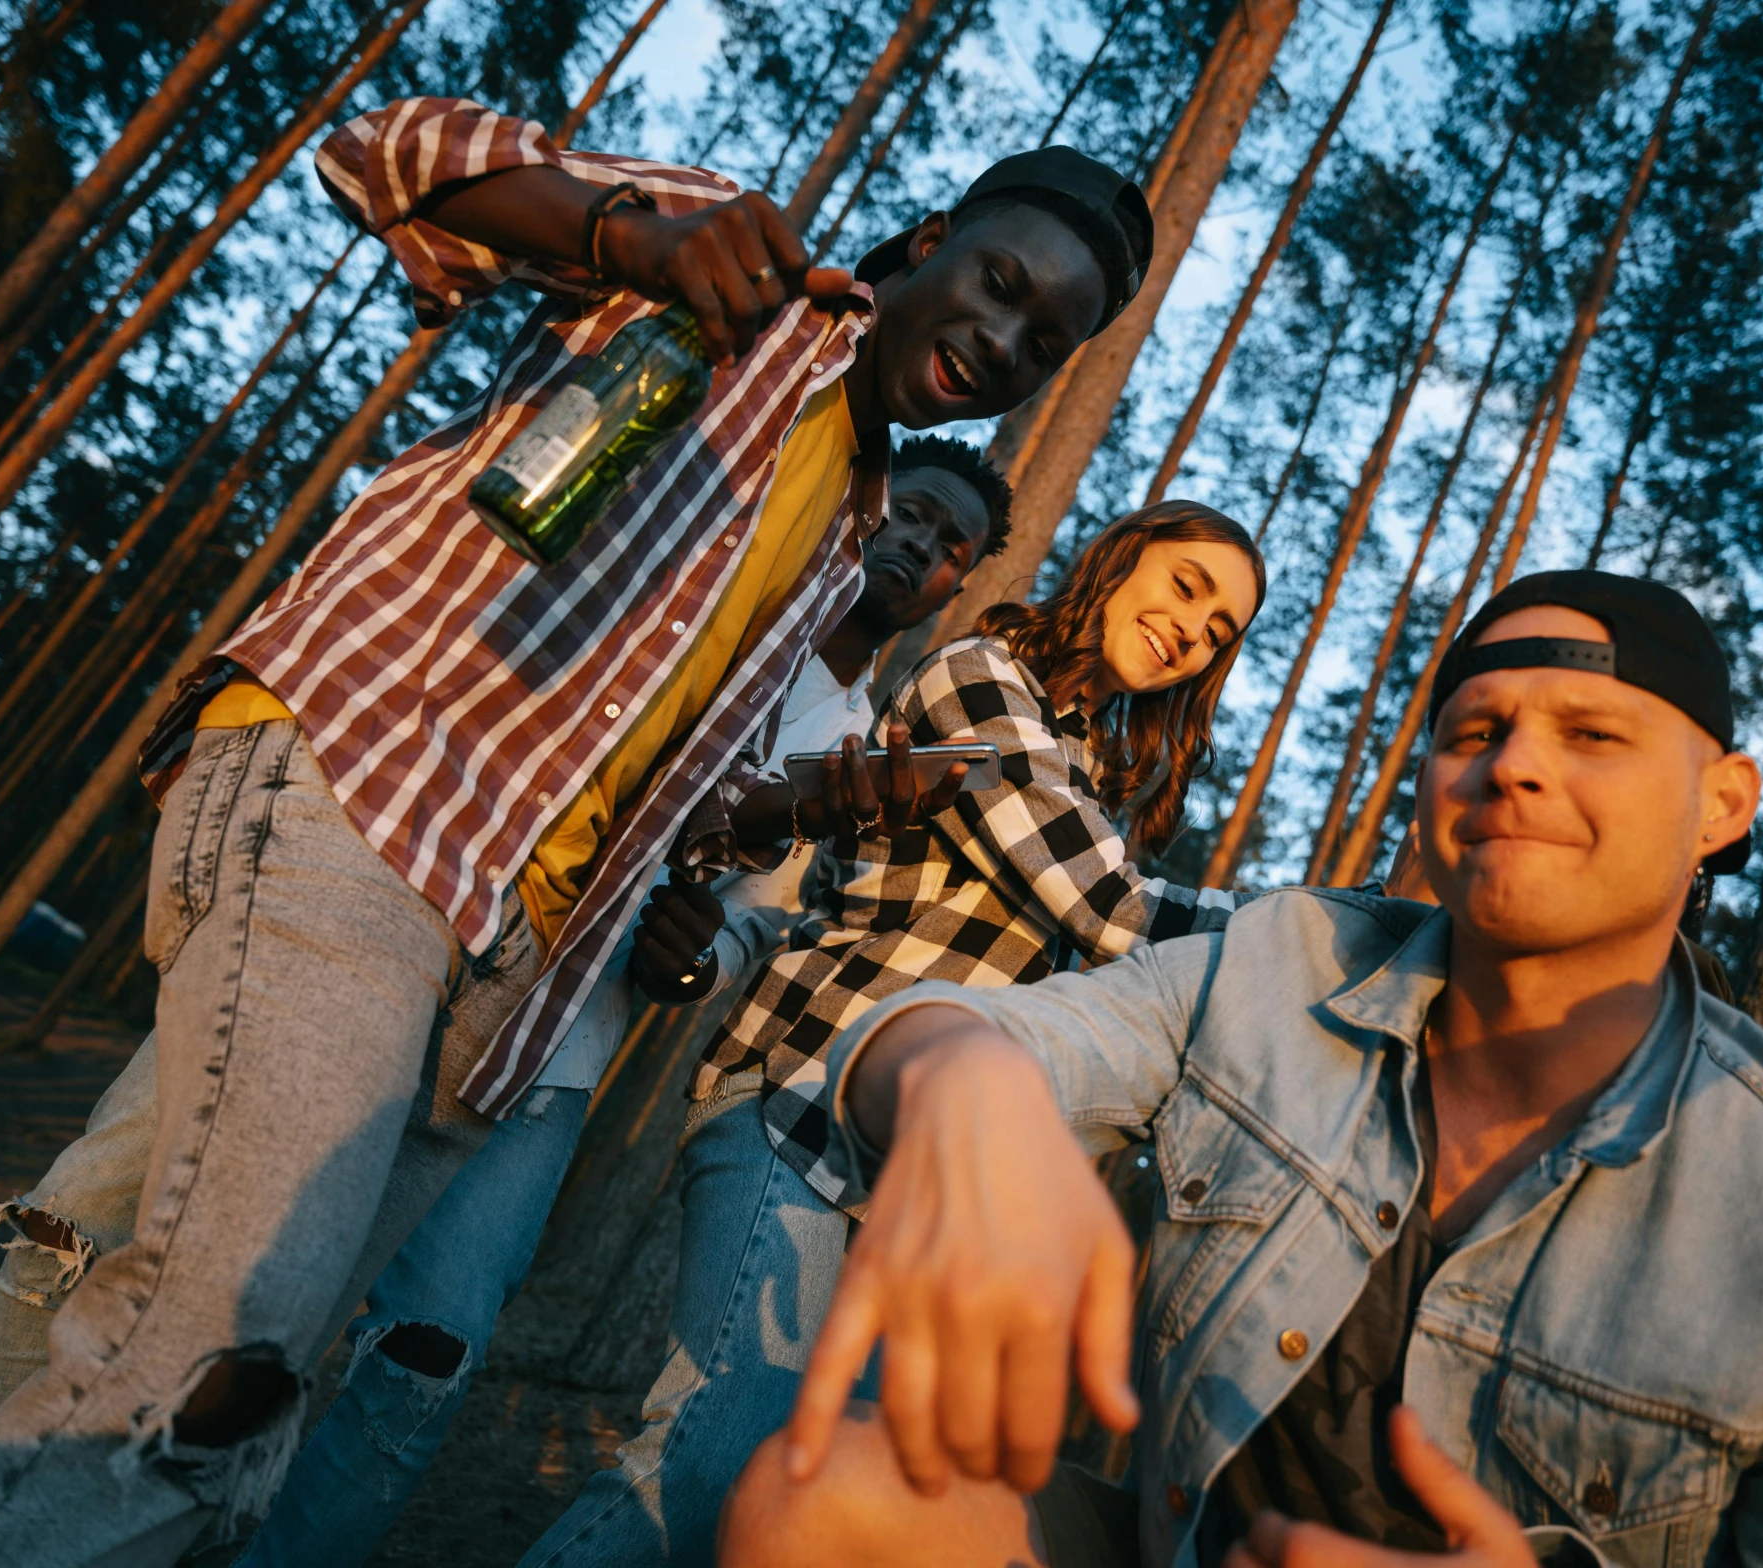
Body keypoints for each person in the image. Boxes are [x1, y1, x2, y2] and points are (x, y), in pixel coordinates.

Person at [0, 89, 1152, 1568]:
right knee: (215, 1356)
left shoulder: (839, 542)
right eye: (998, 284)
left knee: (244, 1407)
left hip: (513, 964)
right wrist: (632, 235)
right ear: (925, 244)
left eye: (1048, 343)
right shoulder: (751, 288)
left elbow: (668, 796)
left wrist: (784, 846)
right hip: (370, 787)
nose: (1006, 339)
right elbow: (390, 153)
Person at [721, 570, 1763, 1568]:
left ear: (1722, 803)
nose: (1515, 761)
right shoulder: (1281, 958)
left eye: (1594, 734)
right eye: (1477, 728)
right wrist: (967, 1084)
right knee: (825, 1490)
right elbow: (985, 1032)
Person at [230, 438, 1011, 1566]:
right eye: (916, 514)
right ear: (865, 504)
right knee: (249, 1293)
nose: (924, 548)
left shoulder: (857, 753)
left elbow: (749, 929)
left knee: (424, 1358)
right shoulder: (720, 596)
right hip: (413, 949)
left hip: (556, 1056)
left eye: (954, 551)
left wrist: (689, 958)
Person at [526, 501, 1268, 1567]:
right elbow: (1112, 909)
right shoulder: (978, 681)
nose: (1192, 631)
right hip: (805, 1096)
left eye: (1220, 632)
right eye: (1186, 588)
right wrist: (1315, 936)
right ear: (1117, 562)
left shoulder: (1088, 772)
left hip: (926, 1180)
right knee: (708, 1465)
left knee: (825, 1485)